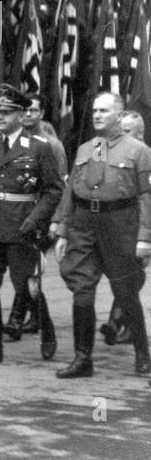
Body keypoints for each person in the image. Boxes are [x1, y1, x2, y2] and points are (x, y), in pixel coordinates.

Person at [0, 85, 63, 365]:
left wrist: (35, 219)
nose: (0, 117)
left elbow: (54, 190)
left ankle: (46, 327)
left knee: (25, 285)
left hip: (22, 226)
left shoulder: (39, 148)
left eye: (7, 112)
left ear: (20, 114)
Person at [53, 91, 151, 379]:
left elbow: (146, 197)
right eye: (95, 110)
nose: (96, 115)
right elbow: (72, 193)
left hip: (119, 225)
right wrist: (62, 231)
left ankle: (142, 353)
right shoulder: (85, 149)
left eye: (104, 111)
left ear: (119, 116)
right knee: (82, 290)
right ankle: (83, 358)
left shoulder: (138, 151)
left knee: (125, 291)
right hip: (84, 225)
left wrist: (145, 238)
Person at [9, 92, 69, 339]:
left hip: (41, 216)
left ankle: (22, 317)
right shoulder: (11, 142)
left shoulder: (51, 145)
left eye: (33, 110)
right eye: (24, 111)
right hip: (16, 215)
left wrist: (56, 222)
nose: (28, 115)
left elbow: (60, 186)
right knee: (22, 271)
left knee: (29, 271)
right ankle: (32, 316)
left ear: (42, 114)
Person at [101, 111, 146, 345]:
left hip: (141, 228)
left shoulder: (145, 156)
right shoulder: (107, 151)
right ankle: (123, 325)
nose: (122, 135)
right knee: (128, 277)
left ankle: (116, 322)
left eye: (128, 131)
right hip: (119, 227)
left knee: (131, 276)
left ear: (141, 134)